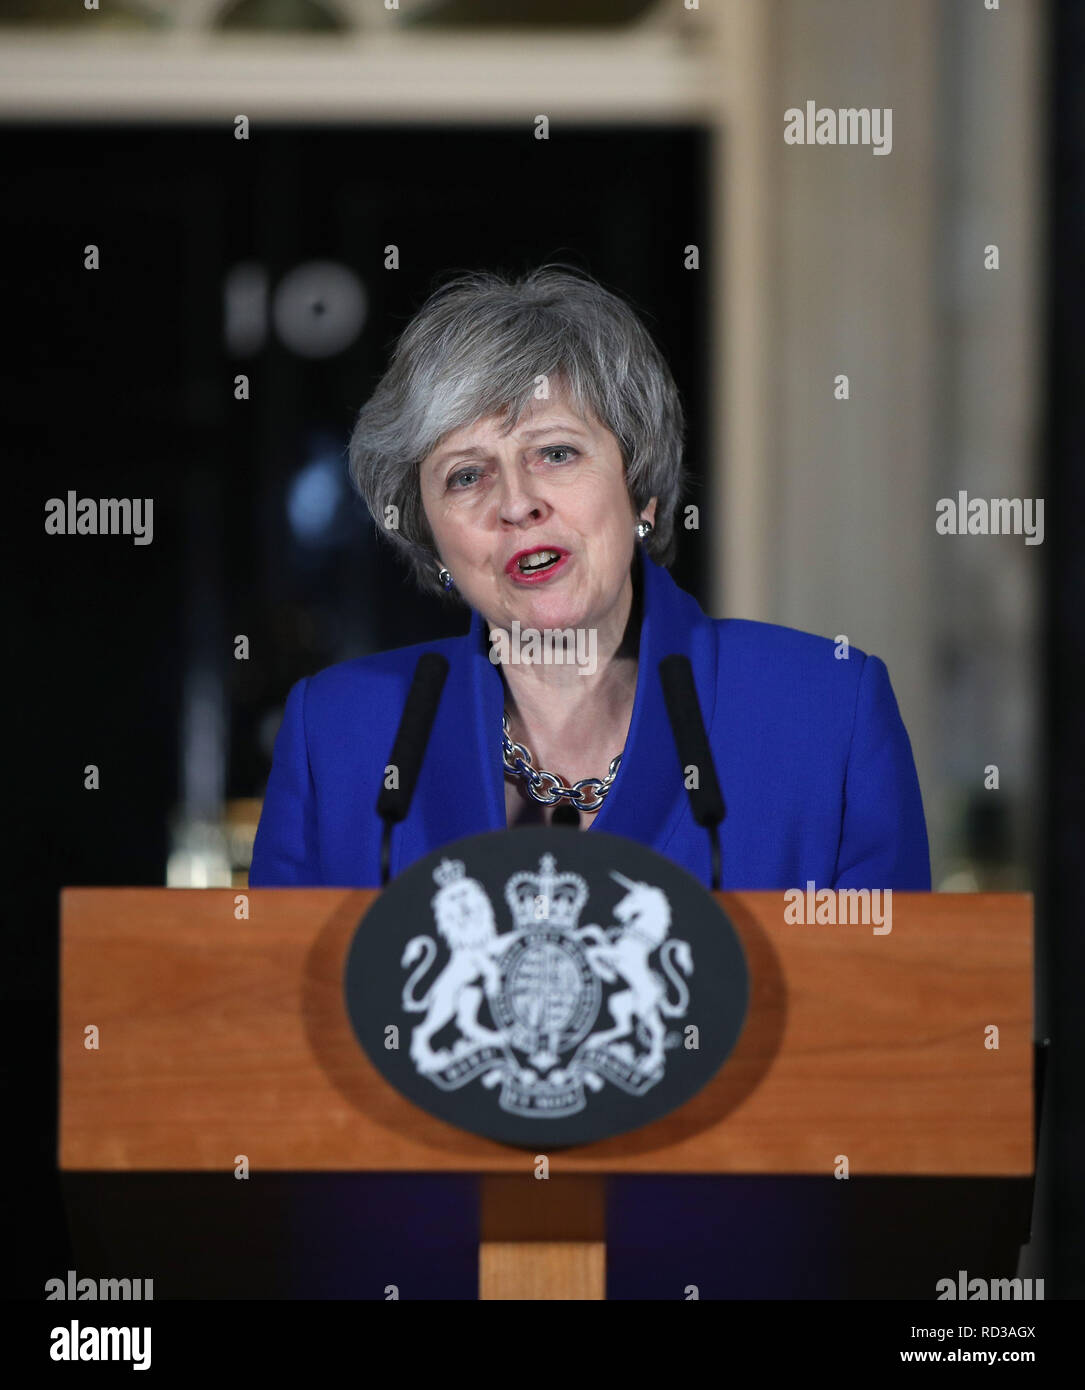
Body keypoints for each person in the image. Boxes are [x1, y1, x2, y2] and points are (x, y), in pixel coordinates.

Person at [249, 265, 930, 1299]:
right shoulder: (339, 731)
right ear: (430, 533)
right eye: (464, 475)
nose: (515, 502)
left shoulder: (820, 709)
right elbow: (267, 1068)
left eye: (554, 453)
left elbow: (900, 1067)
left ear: (640, 488)